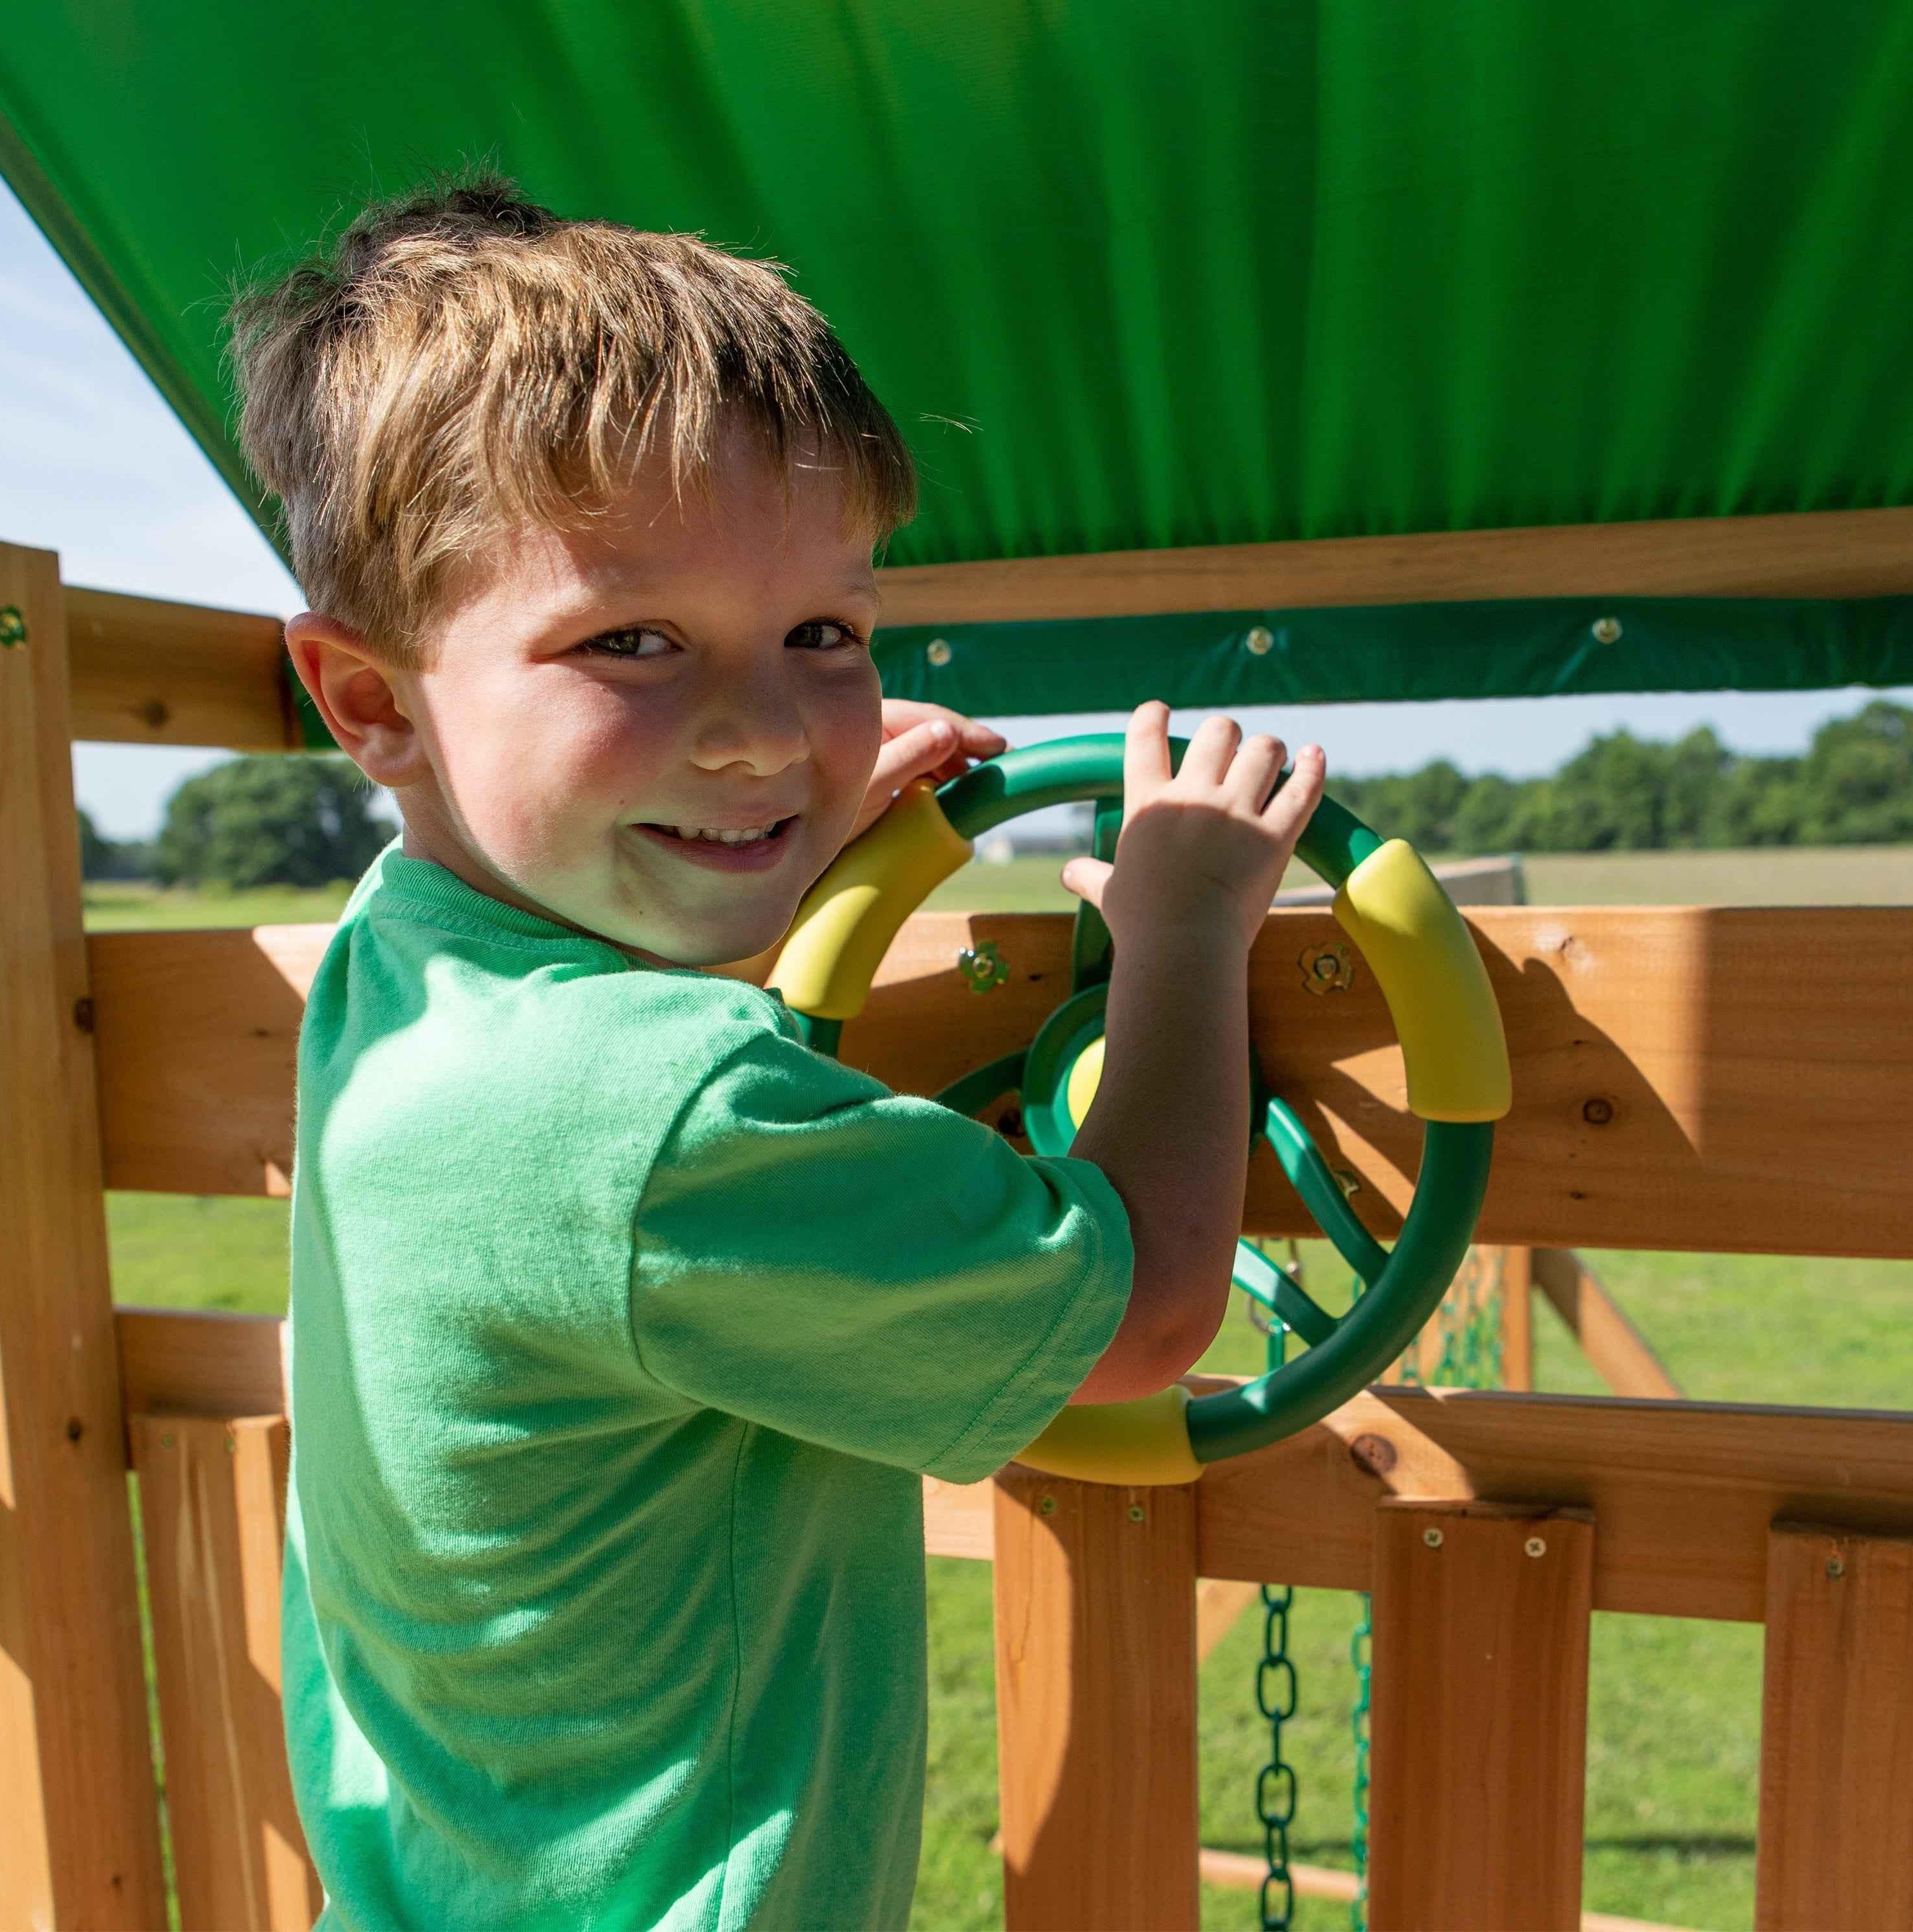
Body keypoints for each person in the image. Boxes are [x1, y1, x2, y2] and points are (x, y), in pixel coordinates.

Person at [237, 175, 1324, 1931]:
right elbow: (1139, 1319)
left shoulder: (407, 968)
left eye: (822, 634)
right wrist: (1185, 934)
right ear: (376, 707)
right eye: (635, 644)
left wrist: (777, 824)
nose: (758, 734)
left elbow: (592, 924)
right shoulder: (652, 1113)